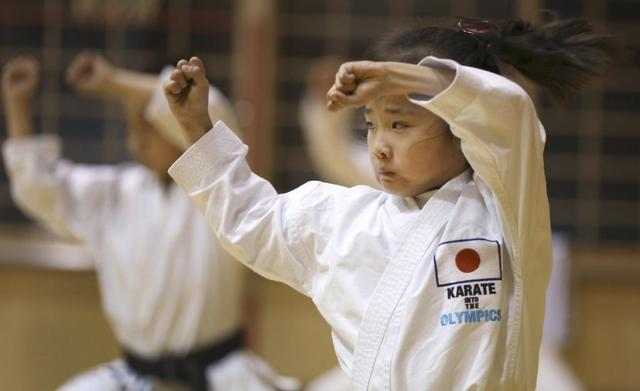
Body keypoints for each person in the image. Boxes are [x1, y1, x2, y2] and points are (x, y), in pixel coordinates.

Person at [163, 17, 618, 390]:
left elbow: (508, 111)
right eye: (371, 124)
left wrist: (396, 75)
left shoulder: (503, 208)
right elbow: (251, 221)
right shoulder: (340, 218)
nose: (378, 146)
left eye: (399, 125)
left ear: (462, 129)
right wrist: (196, 128)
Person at [2, 53, 299, 391]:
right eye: (131, 127)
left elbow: (213, 111)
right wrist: (17, 105)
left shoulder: (221, 191)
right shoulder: (116, 193)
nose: (137, 141)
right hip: (134, 377)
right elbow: (41, 189)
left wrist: (113, 82)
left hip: (224, 377)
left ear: (175, 123)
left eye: (147, 127)